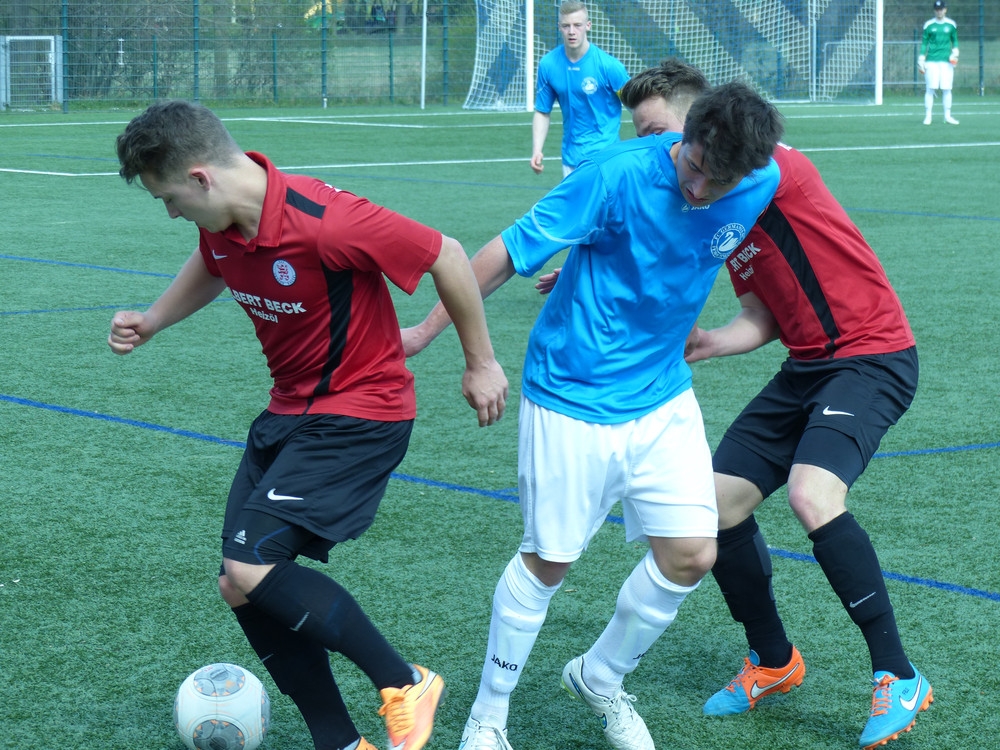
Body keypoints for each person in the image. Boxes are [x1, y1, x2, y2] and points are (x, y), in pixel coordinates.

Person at [540, 59, 933, 750]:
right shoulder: (715, 207)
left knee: (813, 495)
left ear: (702, 125)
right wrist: (708, 341)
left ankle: (898, 674)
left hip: (871, 356)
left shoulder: (774, 171)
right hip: (805, 367)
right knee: (714, 506)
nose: (653, 149)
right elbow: (761, 314)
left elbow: (757, 151)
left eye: (658, 131)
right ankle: (774, 659)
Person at [108, 100, 509, 750]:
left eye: (170, 199)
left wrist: (481, 362)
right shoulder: (224, 221)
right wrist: (153, 319)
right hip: (288, 412)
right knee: (238, 586)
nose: (172, 213)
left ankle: (405, 682)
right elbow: (212, 261)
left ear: (202, 178)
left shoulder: (326, 219)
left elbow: (447, 254)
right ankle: (340, 741)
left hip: (360, 413)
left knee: (250, 564)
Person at [403, 82, 783, 750]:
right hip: (571, 395)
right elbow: (501, 254)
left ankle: (599, 676)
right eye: (693, 166)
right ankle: (488, 718)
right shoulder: (614, 176)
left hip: (663, 396)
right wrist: (436, 338)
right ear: (685, 133)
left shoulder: (761, 179)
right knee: (548, 563)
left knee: (693, 554)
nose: (698, 189)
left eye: (717, 182)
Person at [530, 1, 629, 177]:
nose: (571, 31)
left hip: (606, 158)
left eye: (577, 25)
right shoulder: (548, 65)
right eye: (566, 26)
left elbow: (636, 105)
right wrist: (537, 150)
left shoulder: (610, 67)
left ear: (588, 26)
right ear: (559, 27)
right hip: (571, 160)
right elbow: (542, 112)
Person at [918, 0, 959, 125]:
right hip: (931, 61)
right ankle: (928, 117)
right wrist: (921, 58)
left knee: (947, 89)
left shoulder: (951, 24)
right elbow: (924, 43)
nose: (939, 11)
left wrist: (955, 52)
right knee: (930, 89)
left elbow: (955, 41)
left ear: (945, 10)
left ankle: (947, 116)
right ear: (934, 10)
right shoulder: (929, 25)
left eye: (941, 9)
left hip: (947, 62)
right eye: (937, 9)